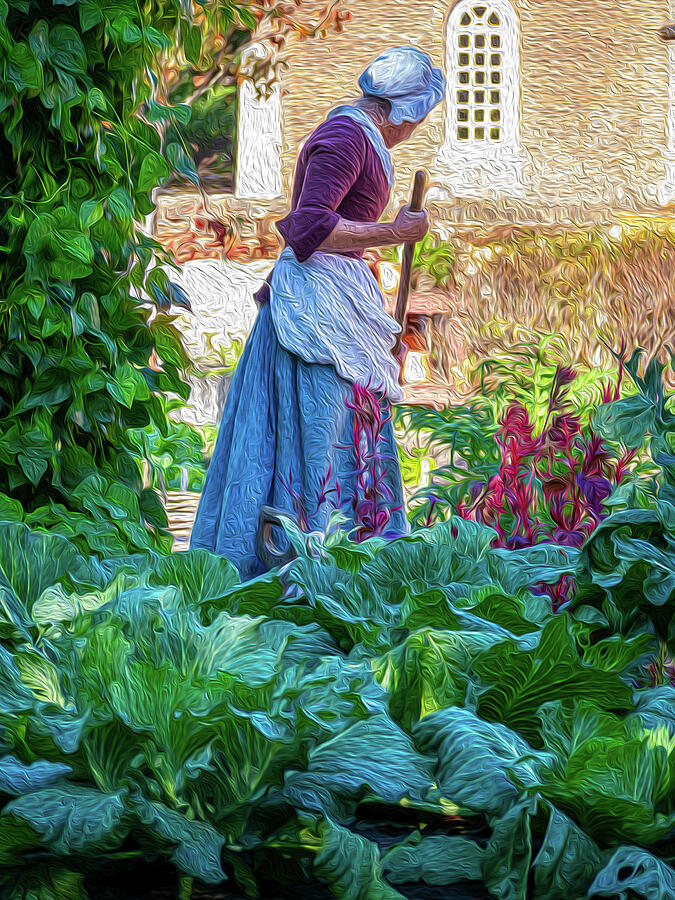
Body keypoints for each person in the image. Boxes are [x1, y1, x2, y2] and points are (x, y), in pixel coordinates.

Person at [189, 46, 446, 580]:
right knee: (320, 426)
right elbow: (310, 229)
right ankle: (303, 560)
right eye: (419, 114)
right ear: (401, 108)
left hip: (336, 296)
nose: (418, 127)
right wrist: (395, 233)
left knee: (348, 422)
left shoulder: (363, 138)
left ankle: (348, 557)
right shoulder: (344, 138)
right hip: (312, 310)